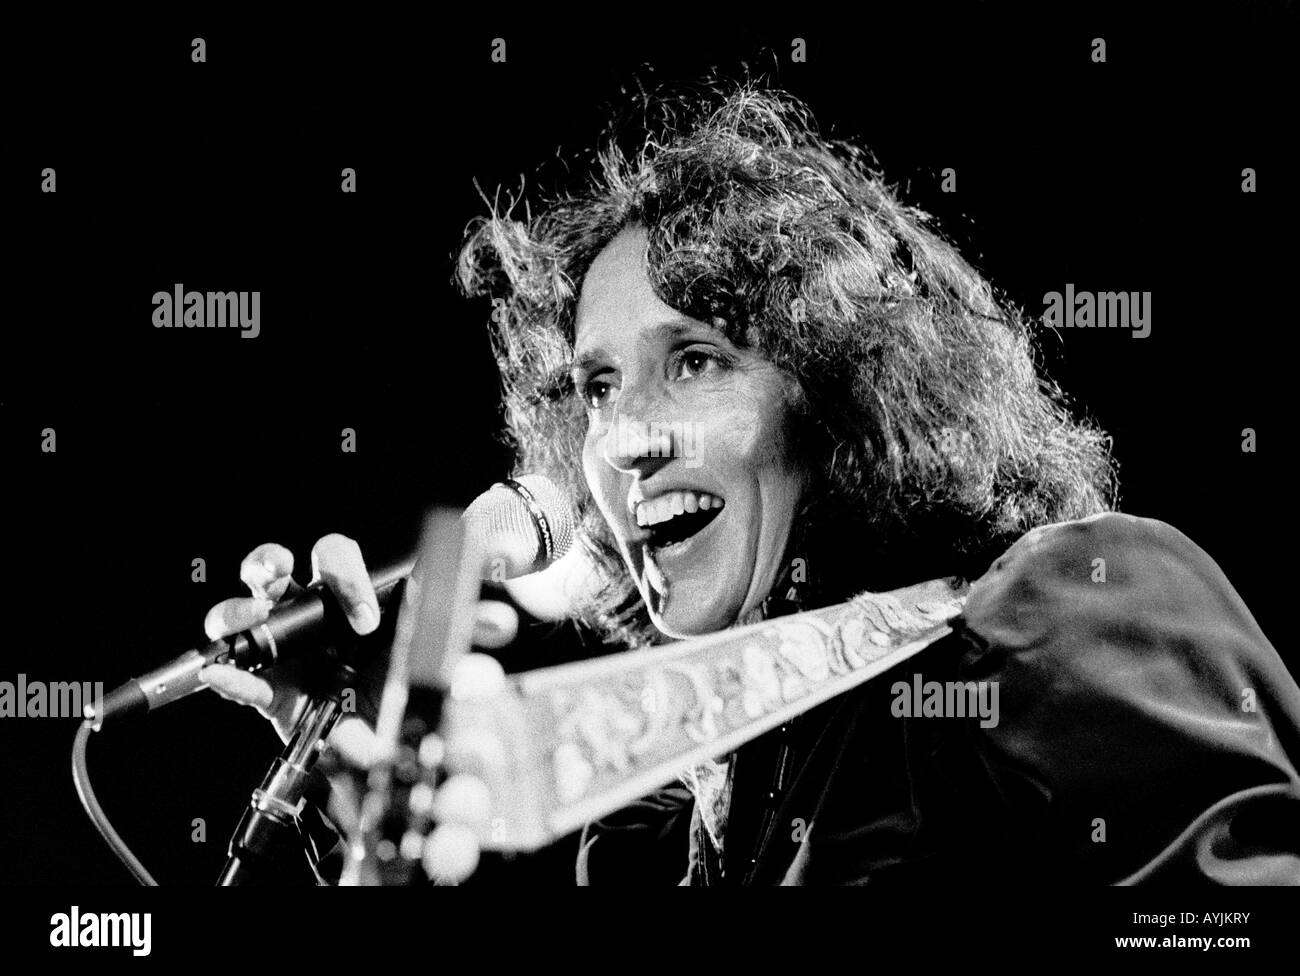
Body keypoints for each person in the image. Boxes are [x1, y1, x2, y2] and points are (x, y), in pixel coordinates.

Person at [202, 84, 1300, 885]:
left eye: (695, 360)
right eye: (593, 386)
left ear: (839, 392)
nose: (624, 440)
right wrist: (361, 799)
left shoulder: (1071, 602)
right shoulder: (651, 834)